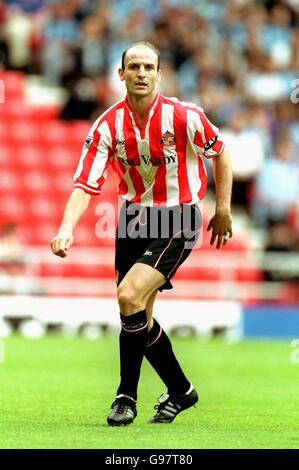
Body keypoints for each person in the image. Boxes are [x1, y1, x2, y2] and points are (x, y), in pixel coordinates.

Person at [50, 41, 233, 426]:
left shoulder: (185, 116)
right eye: (133, 66)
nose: (141, 73)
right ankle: (181, 390)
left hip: (178, 216)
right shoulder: (106, 125)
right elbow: (85, 184)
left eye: (148, 66)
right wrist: (66, 227)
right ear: (121, 74)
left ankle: (125, 397)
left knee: (128, 293)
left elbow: (220, 151)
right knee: (137, 316)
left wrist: (223, 209)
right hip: (133, 220)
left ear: (159, 73)